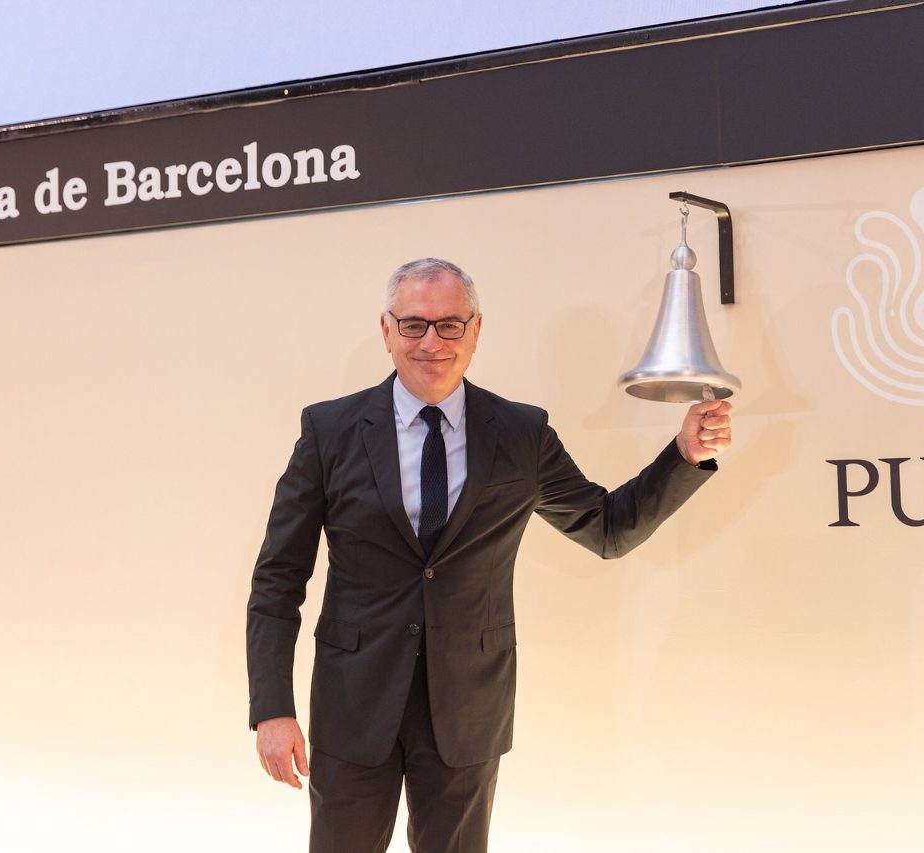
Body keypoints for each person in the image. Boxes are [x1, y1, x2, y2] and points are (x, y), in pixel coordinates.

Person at [247, 257, 733, 852]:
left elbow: (609, 530)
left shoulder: (521, 434)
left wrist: (683, 455)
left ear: (475, 331)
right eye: (413, 325)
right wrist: (272, 709)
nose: (432, 341)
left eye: (449, 325)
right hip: (353, 707)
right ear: (386, 330)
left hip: (468, 711)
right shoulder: (330, 430)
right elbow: (278, 580)